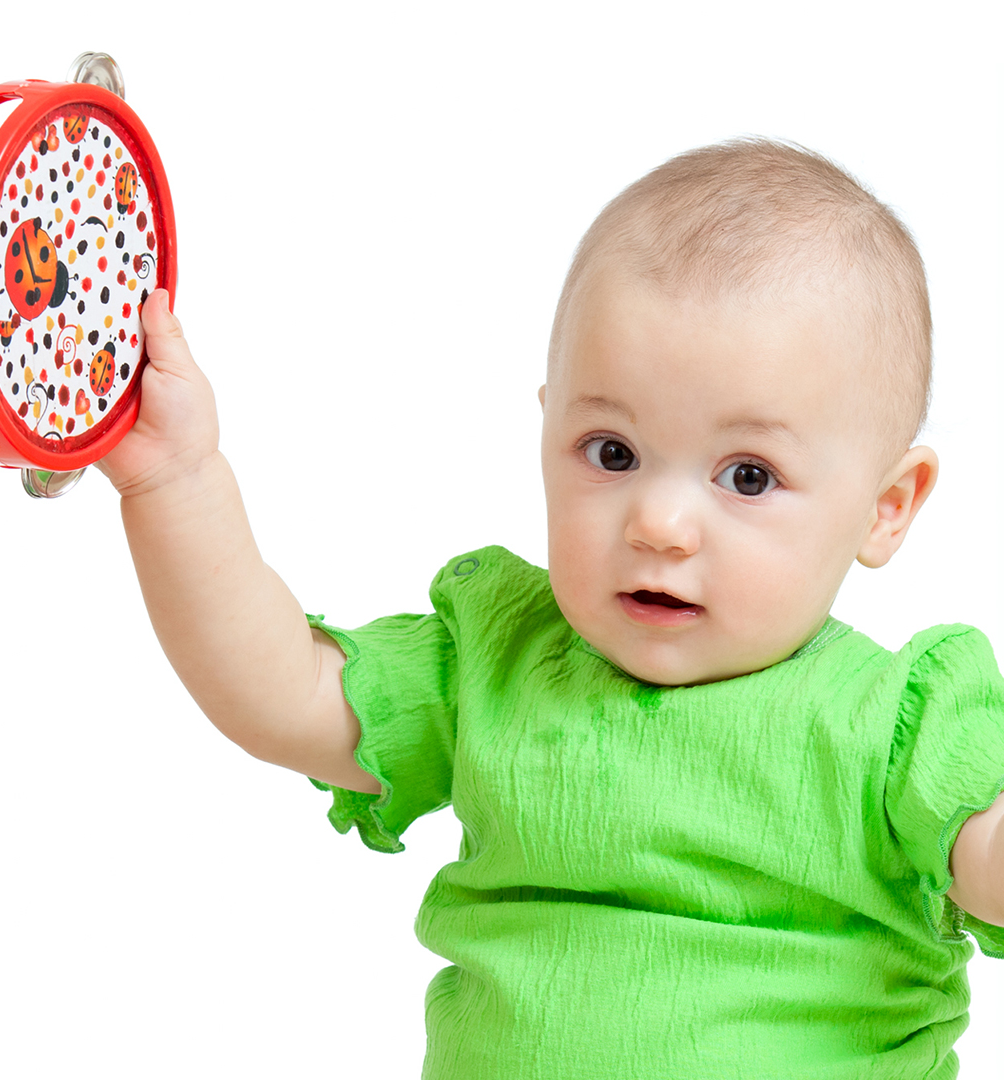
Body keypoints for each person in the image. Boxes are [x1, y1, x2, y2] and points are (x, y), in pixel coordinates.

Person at [99, 138, 1004, 1077]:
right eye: (611, 452)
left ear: (885, 506)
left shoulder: (902, 726)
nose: (659, 523)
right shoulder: (496, 661)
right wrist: (175, 481)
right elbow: (282, 693)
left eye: (748, 476)